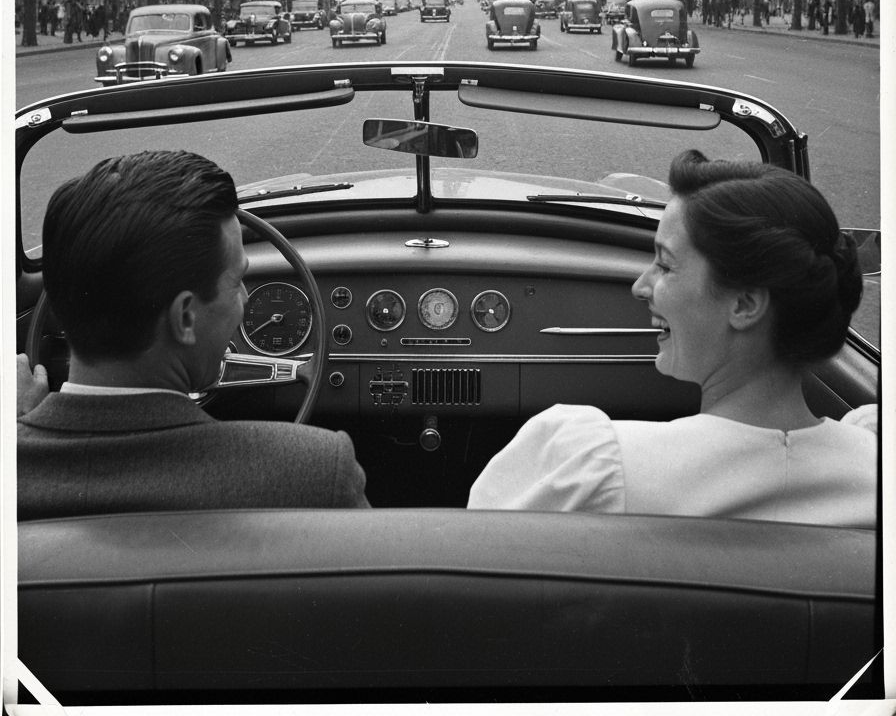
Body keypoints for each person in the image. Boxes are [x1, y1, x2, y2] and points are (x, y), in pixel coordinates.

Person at [468, 149, 876, 527]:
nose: (641, 286)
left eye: (665, 265)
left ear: (745, 305)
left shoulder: (593, 469)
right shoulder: (873, 467)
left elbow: (475, 573)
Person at [18, 150, 369, 519]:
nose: (246, 300)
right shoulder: (316, 473)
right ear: (185, 318)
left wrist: (21, 427)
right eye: (236, 284)